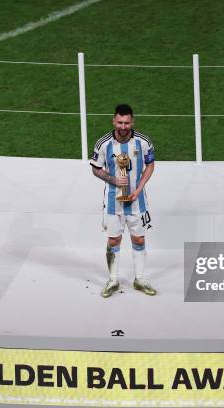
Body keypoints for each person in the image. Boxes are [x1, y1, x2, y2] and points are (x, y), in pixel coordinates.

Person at [90, 104, 156, 298]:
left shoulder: (143, 142)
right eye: (120, 122)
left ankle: (140, 279)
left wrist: (139, 188)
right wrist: (113, 180)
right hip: (113, 202)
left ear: (132, 121)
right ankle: (113, 280)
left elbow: (150, 166)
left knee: (139, 238)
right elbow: (95, 168)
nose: (123, 126)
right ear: (113, 121)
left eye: (127, 122)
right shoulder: (103, 144)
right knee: (113, 240)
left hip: (137, 201)